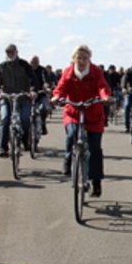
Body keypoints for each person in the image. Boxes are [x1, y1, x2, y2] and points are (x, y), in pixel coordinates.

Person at [52, 45, 111, 197]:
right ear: (74, 59)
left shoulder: (96, 71)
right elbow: (61, 87)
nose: (82, 61)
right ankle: (68, 159)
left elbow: (102, 87)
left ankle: (96, 182)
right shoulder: (68, 72)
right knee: (71, 134)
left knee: (95, 149)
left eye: (85, 58)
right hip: (74, 111)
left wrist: (105, 97)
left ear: (89, 59)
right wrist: (57, 96)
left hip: (93, 113)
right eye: (79, 58)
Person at [0, 44, 35, 157]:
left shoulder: (24, 65)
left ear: (17, 52)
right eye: (8, 52)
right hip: (7, 97)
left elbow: (33, 79)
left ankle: (26, 141)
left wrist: (32, 90)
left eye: (12, 51)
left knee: (26, 118)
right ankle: (3, 147)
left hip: (23, 96)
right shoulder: (2, 66)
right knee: (5, 119)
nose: (10, 54)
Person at [29, 55, 51, 135]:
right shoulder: (26, 70)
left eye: (36, 62)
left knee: (43, 109)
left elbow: (45, 80)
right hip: (29, 94)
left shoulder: (42, 70)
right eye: (32, 62)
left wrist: (46, 87)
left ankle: (43, 124)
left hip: (41, 93)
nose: (34, 64)